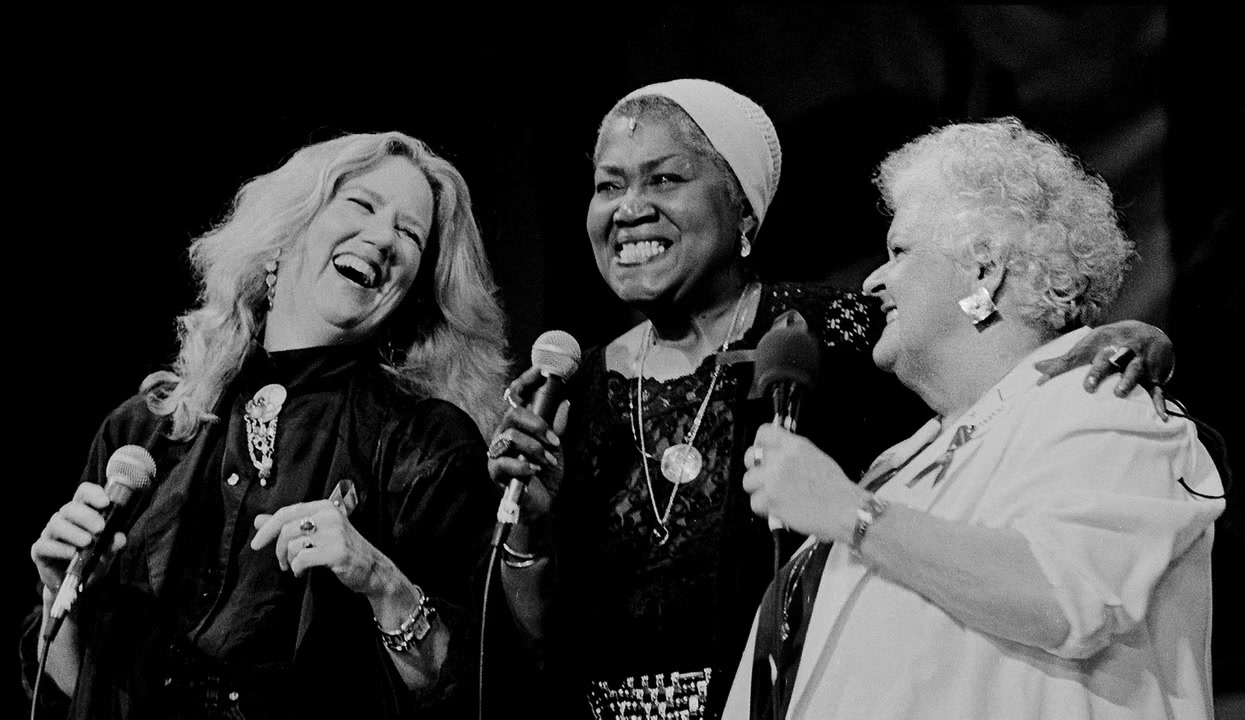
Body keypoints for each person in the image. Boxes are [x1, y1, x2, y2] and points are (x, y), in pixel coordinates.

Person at [488, 79, 1178, 719]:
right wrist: (528, 533)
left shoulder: (836, 335)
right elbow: (541, 645)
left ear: (743, 208)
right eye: (608, 185)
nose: (629, 208)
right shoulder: (571, 393)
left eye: (664, 178)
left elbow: (990, 363)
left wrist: (1125, 338)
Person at [725, 117, 1225, 719]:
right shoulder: (901, 463)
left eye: (899, 252)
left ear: (984, 270)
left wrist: (848, 512)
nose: (873, 280)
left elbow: (1059, 594)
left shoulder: (1102, 402)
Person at [23, 132, 510, 719]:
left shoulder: (425, 445)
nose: (384, 238)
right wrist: (61, 594)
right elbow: (76, 688)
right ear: (283, 232)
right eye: (361, 205)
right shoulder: (146, 430)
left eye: (410, 234)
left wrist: (380, 580)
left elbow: (474, 691)